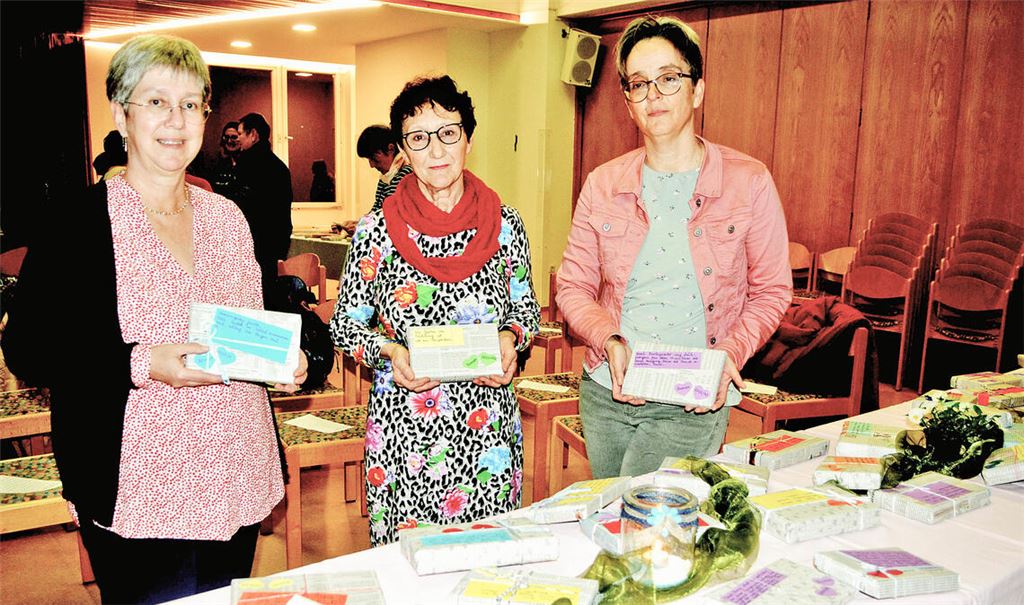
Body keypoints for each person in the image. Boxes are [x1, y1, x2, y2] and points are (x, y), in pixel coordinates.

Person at [1, 34, 307, 604]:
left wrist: (293, 357)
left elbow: (264, 315)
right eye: (157, 101)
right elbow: (29, 348)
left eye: (192, 103)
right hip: (136, 488)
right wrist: (140, 361)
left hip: (235, 471)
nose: (177, 119)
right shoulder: (77, 222)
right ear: (121, 114)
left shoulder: (229, 218)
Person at [557, 15, 792, 478]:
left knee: (651, 523)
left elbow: (772, 291)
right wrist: (608, 339)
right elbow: (572, 286)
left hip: (692, 399)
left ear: (697, 90)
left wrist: (731, 351)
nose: (653, 96)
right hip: (608, 390)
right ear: (627, 102)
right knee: (617, 519)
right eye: (639, 84)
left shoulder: (749, 181)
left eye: (669, 79)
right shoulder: (603, 184)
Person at [330, 75, 540, 546]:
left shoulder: (506, 224)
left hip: (486, 426)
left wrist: (510, 338)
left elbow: (525, 310)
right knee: (409, 568)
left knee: (484, 562)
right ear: (403, 148)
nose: (437, 150)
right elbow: (345, 325)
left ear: (468, 137)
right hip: (405, 427)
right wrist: (387, 350)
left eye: (448, 132)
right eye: (419, 138)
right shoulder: (376, 230)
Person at [234, 111, 293, 300]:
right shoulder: (279, 167)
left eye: (241, 134)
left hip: (252, 243)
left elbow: (241, 207)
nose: (238, 140)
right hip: (274, 244)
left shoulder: (247, 165)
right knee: (266, 295)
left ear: (253, 134)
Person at [357, 124, 413, 214]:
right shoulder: (385, 178)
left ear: (391, 149)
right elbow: (376, 211)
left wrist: (363, 225)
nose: (371, 165)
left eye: (374, 158)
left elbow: (391, 214)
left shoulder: (407, 175)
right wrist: (357, 224)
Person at [209, 120, 240, 197]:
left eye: (234, 137)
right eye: (226, 137)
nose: (229, 141)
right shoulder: (218, 164)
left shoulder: (249, 163)